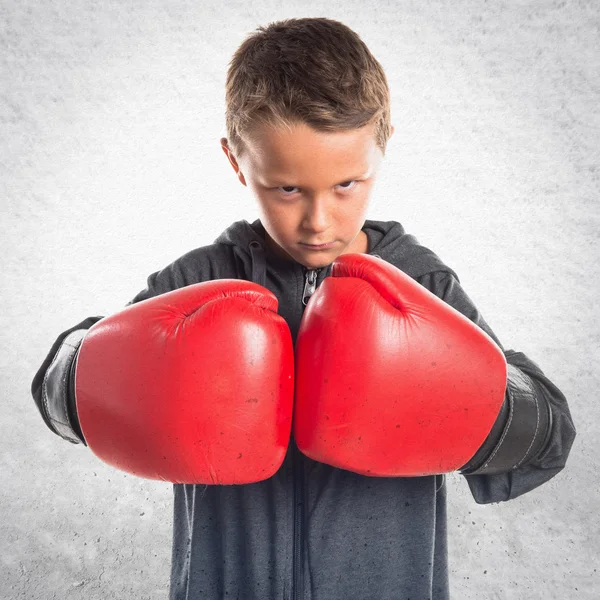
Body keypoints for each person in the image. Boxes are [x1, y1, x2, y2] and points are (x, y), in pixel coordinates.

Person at [30, 17, 576, 600]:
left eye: (347, 184)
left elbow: (550, 436)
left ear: (381, 147)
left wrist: (464, 402)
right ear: (238, 162)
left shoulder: (420, 284)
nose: (319, 220)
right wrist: (84, 370)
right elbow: (60, 388)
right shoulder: (200, 280)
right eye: (287, 189)